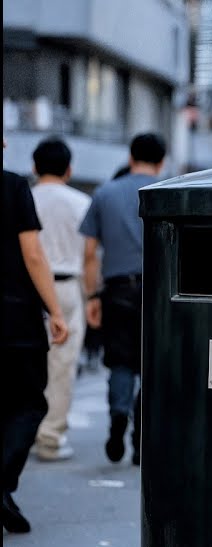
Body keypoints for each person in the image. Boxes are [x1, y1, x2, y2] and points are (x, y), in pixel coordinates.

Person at [81, 132, 167, 465]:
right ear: (160, 162)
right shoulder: (168, 190)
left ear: (130, 158)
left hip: (117, 289)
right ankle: (141, 437)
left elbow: (90, 254)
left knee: (120, 360)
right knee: (152, 364)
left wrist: (93, 295)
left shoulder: (104, 193)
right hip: (160, 290)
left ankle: (118, 415)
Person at [3, 140, 70, 533]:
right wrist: (56, 310)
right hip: (14, 317)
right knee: (28, 404)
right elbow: (32, 253)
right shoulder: (12, 186)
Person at [29, 137, 92, 461]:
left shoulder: (24, 196)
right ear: (69, 169)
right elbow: (92, 253)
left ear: (34, 167)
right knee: (62, 365)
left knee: (24, 364)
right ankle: (51, 438)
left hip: (25, 287)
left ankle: (22, 432)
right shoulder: (81, 202)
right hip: (67, 287)